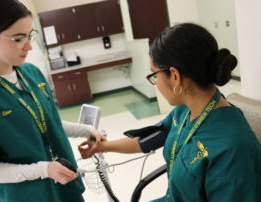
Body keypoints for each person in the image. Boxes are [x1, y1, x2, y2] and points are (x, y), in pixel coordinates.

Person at [79, 23, 261, 202]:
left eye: (154, 75)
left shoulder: (233, 150)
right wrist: (102, 147)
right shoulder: (183, 113)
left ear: (175, 76)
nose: (155, 82)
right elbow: (147, 140)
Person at [0, 0, 105, 201]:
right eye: (18, 39)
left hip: (64, 185)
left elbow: (47, 123)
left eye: (30, 35)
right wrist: (44, 170)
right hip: (26, 195)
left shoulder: (32, 73)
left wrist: (85, 131)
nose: (29, 46)